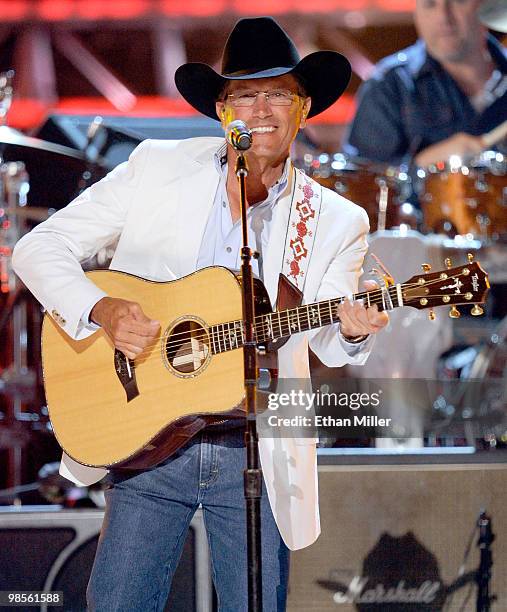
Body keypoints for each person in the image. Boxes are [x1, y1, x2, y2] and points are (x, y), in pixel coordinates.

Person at [13, 17, 388, 611]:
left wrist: (352, 327)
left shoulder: (336, 220)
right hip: (147, 435)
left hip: (257, 452)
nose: (261, 109)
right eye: (245, 93)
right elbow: (38, 247)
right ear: (222, 109)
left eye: (278, 94)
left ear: (304, 106)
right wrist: (101, 307)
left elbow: (327, 341)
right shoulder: (156, 168)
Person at [343, 0, 507, 167]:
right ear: (416, 13)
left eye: (458, 2)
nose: (443, 17)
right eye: (430, 4)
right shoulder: (389, 85)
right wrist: (422, 166)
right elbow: (363, 181)